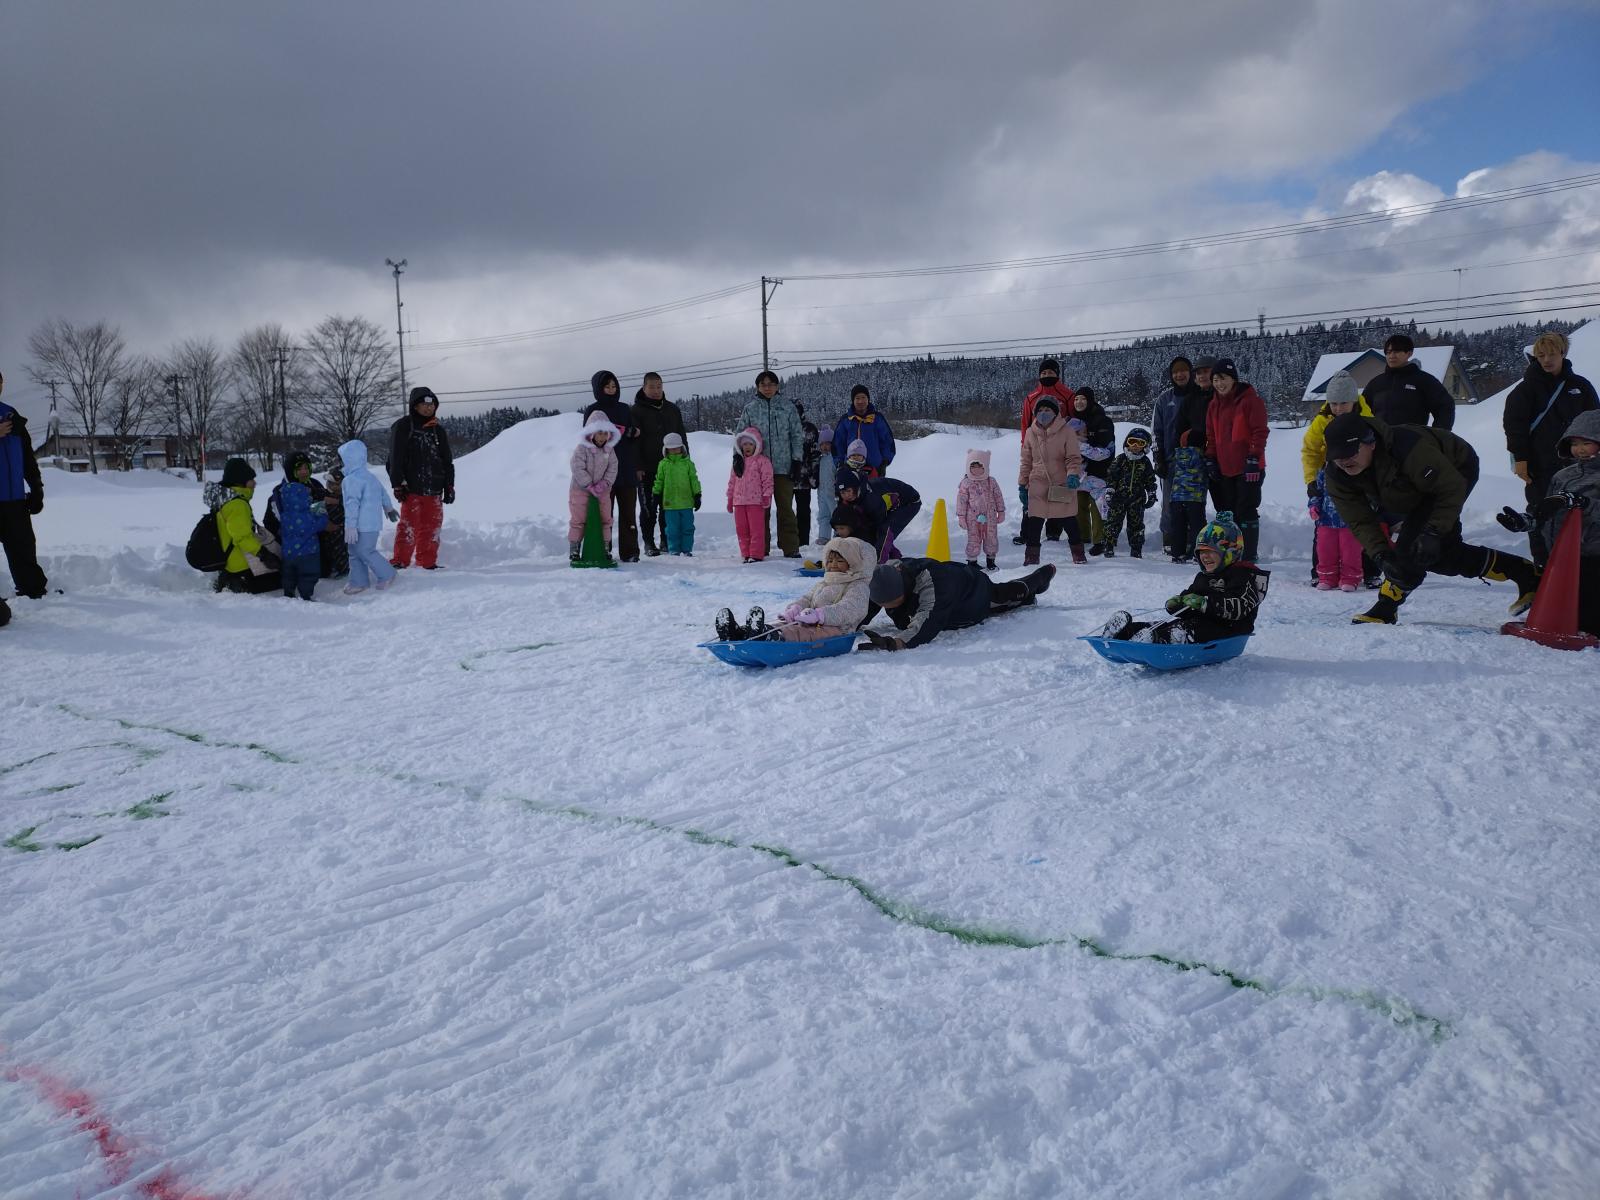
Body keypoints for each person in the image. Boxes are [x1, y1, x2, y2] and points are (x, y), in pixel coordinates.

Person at [1321, 412, 1539, 624]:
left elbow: (1449, 487)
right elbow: (1360, 520)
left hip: (1454, 469)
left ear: (1371, 443)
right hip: (1413, 488)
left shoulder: (1407, 449)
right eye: (1337, 455)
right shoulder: (1336, 475)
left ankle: (1386, 608)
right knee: (1439, 555)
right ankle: (1525, 573)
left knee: (1417, 547)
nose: (1344, 460)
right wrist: (1380, 555)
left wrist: (1433, 531)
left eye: (1350, 451)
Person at [1497, 409, 1600, 636]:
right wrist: (1529, 521)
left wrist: (1583, 503)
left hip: (1593, 556)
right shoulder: (1563, 476)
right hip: (1561, 555)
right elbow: (1548, 508)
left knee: (1588, 619)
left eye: (1587, 443)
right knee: (1561, 606)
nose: (1579, 449)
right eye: (1574, 443)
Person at [1502, 329, 1600, 565]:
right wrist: (1521, 459)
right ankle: (1543, 568)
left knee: (1584, 514)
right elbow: (1514, 426)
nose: (1546, 360)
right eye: (1541, 355)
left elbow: (1595, 421)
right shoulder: (1525, 389)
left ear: (1563, 354)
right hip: (1540, 465)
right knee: (1540, 513)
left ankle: (1579, 567)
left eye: (1552, 354)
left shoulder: (1580, 386)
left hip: (1580, 465)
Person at [1099, 511, 1268, 644]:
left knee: (1183, 630)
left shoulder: (1244, 575)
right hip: (1197, 624)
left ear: (1230, 552)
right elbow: (1189, 598)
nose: (1205, 557)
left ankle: (1155, 641)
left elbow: (1239, 608)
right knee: (1166, 625)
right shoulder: (1204, 577)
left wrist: (1205, 604)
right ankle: (1126, 633)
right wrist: (1178, 603)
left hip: (1229, 631)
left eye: (1210, 551)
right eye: (1201, 552)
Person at [859, 559, 1057, 651]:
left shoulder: (933, 585)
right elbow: (867, 604)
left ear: (903, 589)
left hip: (971, 592)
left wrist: (896, 643)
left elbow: (929, 620)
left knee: (1002, 597)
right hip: (950, 574)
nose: (888, 608)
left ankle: (1036, 580)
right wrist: (847, 626)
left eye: (892, 603)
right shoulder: (883, 575)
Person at [715, 536, 877, 643]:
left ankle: (770, 636)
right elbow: (808, 598)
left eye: (840, 560)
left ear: (853, 564)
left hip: (837, 631)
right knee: (786, 624)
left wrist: (820, 615)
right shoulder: (825, 582)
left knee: (804, 634)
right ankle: (740, 634)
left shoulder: (857, 586)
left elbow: (850, 609)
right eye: (830, 560)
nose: (833, 565)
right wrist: (796, 608)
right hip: (810, 621)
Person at [1300, 370, 1378, 588]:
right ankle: (1321, 571)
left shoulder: (1367, 419)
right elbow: (1310, 451)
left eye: (1343, 403)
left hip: (1360, 478)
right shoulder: (1322, 421)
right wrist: (1312, 482)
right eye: (1333, 403)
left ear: (1353, 401)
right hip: (1331, 478)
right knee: (1323, 530)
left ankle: (1370, 571)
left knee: (1363, 527)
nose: (1338, 408)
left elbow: (1377, 450)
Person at [1203, 358, 1268, 563]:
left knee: (1246, 509)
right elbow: (1211, 437)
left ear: (1233, 379)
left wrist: (1253, 457)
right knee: (1228, 512)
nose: (1219, 384)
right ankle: (1233, 551)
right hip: (1225, 468)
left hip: (1249, 467)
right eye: (1215, 379)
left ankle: (1249, 554)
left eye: (1223, 378)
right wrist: (1211, 459)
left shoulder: (1250, 401)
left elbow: (1260, 431)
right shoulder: (1213, 405)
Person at [387, 385, 455, 570]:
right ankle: (400, 560)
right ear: (415, 406)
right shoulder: (403, 426)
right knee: (408, 526)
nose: (429, 407)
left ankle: (427, 562)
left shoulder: (437, 431)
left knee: (432, 528)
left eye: (432, 403)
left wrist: (449, 485)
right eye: (424, 403)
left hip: (434, 490)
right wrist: (398, 483)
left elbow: (447, 460)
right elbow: (395, 458)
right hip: (412, 488)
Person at [740, 370, 805, 558]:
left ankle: (791, 547)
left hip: (784, 467)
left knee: (785, 508)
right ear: (758, 387)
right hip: (757, 471)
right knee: (760, 511)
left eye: (771, 384)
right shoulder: (750, 409)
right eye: (763, 384)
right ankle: (761, 548)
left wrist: (797, 460)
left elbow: (796, 435)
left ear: (777, 386)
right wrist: (739, 458)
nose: (767, 388)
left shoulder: (787, 408)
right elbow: (741, 435)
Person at [1015, 358, 1078, 544]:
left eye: (1050, 373)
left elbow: (1074, 422)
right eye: (1043, 373)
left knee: (1058, 492)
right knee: (1031, 492)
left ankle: (1054, 532)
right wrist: (1025, 447)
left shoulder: (1067, 395)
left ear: (1057, 374)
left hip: (1060, 451)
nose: (1047, 376)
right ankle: (1027, 533)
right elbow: (1025, 423)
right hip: (1037, 452)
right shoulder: (1031, 397)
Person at [1018, 395, 1085, 566]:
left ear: (1055, 412)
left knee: (1069, 519)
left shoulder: (1067, 431)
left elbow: (1073, 458)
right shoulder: (1030, 432)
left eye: (1047, 410)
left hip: (1061, 482)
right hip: (1038, 482)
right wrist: (1022, 484)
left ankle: (1078, 553)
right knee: (1035, 521)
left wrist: (1073, 474)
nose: (1043, 413)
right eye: (1040, 410)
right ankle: (1031, 556)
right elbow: (1026, 460)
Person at [582, 371, 641, 561]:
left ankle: (630, 552)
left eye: (613, 386)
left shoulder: (625, 408)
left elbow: (633, 438)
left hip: (626, 468)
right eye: (606, 386)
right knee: (603, 515)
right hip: (602, 473)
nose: (611, 390)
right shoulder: (593, 410)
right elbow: (587, 440)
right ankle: (603, 549)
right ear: (598, 389)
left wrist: (632, 433)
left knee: (628, 514)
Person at [0, 372, 48, 600]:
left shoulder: (11, 415)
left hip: (14, 500)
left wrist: (36, 489)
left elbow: (28, 458)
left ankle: (32, 591)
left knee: (23, 548)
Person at [632, 371, 688, 556]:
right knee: (649, 507)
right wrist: (637, 465)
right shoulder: (636, 411)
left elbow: (681, 435)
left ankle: (666, 540)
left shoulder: (672, 409)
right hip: (647, 468)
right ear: (644, 387)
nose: (656, 390)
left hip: (671, 468)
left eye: (659, 386)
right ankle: (649, 543)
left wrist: (685, 460)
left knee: (668, 506)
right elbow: (634, 442)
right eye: (652, 387)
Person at [212, 458, 282, 595]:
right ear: (240, 481)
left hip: (229, 561)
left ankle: (229, 578)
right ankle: (237, 583)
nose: (255, 483)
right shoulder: (238, 505)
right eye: (251, 479)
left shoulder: (224, 499)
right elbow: (242, 537)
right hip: (241, 564)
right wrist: (263, 554)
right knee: (281, 580)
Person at [337, 440, 400, 595]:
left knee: (365, 551)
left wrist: (350, 526)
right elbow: (382, 493)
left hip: (360, 526)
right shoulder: (370, 476)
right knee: (354, 552)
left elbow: (352, 505)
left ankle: (387, 574)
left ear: (349, 459)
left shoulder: (351, 480)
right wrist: (389, 508)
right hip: (371, 524)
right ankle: (358, 581)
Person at [266, 451, 329, 600]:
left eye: (306, 468)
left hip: (300, 546)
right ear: (291, 471)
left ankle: (291, 593)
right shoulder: (280, 494)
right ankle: (302, 594)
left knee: (296, 571)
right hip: (301, 546)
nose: (304, 472)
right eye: (299, 469)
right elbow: (272, 521)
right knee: (303, 571)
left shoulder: (312, 486)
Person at [1361, 333, 1456, 430]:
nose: (1391, 356)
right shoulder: (1376, 383)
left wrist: (1437, 436)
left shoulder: (1424, 380)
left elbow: (1445, 407)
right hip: (1379, 441)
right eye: (1388, 352)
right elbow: (1360, 409)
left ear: (1409, 353)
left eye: (1396, 351)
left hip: (1414, 442)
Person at [1150, 356, 1195, 553]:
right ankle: (1169, 536)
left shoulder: (1200, 395)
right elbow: (1156, 431)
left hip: (1196, 460)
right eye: (1175, 372)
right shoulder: (1164, 399)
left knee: (1193, 502)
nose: (1179, 374)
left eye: (1183, 370)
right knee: (1169, 501)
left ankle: (1194, 538)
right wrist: (1158, 457)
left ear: (1190, 372)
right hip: (1170, 459)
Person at [569, 411, 619, 563]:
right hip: (580, 490)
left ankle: (604, 547)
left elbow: (613, 467)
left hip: (603, 491)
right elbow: (577, 467)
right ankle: (575, 548)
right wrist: (589, 484)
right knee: (579, 519)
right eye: (599, 433)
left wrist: (604, 483)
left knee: (605, 519)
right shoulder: (581, 449)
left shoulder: (610, 450)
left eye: (605, 433)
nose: (603, 437)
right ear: (591, 433)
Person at [1070, 387, 1115, 552]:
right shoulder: (1073, 420)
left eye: (1082, 399)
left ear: (1090, 400)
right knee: (1078, 504)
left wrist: (1082, 447)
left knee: (1098, 506)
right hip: (1080, 472)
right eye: (1076, 399)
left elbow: (1106, 450)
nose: (1078, 402)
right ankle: (1083, 536)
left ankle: (1100, 540)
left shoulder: (1102, 420)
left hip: (1099, 470)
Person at [1102, 427, 1158, 558]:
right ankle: (1108, 545)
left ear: (1146, 446)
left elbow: (1150, 480)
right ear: (1127, 442)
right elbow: (1112, 477)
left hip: (1137, 499)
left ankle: (1136, 548)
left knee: (1136, 524)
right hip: (1118, 499)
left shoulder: (1145, 462)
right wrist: (1110, 491)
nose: (1135, 446)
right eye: (1132, 441)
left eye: (1140, 443)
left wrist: (1151, 493)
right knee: (1113, 522)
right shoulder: (1120, 459)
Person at [1308, 467, 1361, 592]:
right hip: (1326, 519)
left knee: (1350, 551)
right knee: (1325, 550)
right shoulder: (1324, 472)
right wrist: (1314, 506)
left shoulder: (1356, 471)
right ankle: (1327, 577)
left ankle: (1350, 578)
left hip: (1350, 520)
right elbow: (1317, 491)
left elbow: (1366, 494)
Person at [727, 426, 774, 563]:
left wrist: (766, 496)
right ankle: (745, 553)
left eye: (750, 444)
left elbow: (767, 480)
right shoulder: (737, 462)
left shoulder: (762, 461)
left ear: (757, 445)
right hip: (739, 502)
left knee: (756, 529)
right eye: (745, 444)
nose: (747, 447)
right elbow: (732, 482)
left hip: (755, 502)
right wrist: (730, 499)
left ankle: (756, 554)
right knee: (742, 529)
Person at [650, 432, 701, 556]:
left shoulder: (688, 463)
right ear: (666, 449)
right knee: (672, 529)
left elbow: (694, 479)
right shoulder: (663, 464)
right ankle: (674, 550)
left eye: (676, 447)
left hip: (686, 503)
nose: (674, 450)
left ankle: (687, 549)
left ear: (681, 448)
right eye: (671, 448)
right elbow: (659, 480)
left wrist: (697, 495)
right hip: (670, 504)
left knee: (688, 528)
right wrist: (656, 494)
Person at [956, 448, 1006, 570]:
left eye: (980, 466)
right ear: (968, 467)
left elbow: (998, 496)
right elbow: (961, 501)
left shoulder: (991, 481)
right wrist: (961, 516)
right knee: (974, 538)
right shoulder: (966, 483)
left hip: (990, 517)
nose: (976, 469)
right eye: (973, 466)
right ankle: (972, 562)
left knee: (991, 538)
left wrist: (1001, 511)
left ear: (986, 467)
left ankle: (991, 561)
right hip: (972, 518)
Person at [832, 384, 895, 474]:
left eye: (863, 397)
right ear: (853, 401)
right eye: (857, 398)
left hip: (875, 468)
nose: (860, 401)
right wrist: (839, 464)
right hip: (850, 468)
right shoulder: (845, 420)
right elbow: (837, 445)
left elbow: (887, 442)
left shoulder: (877, 418)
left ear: (868, 399)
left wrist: (884, 462)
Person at [828, 468, 886, 549]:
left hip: (898, 504)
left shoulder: (869, 498)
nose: (846, 495)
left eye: (848, 491)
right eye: (842, 492)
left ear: (855, 488)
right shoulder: (845, 502)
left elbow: (880, 523)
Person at [794, 400, 820, 548]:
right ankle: (786, 541)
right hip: (785, 478)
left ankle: (803, 541)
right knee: (785, 513)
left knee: (803, 511)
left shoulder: (810, 429)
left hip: (804, 479)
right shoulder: (783, 428)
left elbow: (815, 454)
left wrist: (814, 475)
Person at [318, 461, 350, 578]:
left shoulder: (346, 496)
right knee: (328, 549)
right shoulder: (324, 495)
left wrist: (337, 501)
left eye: (338, 485)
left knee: (343, 550)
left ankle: (344, 568)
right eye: (331, 484)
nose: (335, 487)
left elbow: (352, 506)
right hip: (327, 529)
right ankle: (331, 567)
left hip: (343, 528)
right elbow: (315, 509)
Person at [812, 425, 836, 543]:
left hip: (833, 492)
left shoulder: (835, 459)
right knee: (823, 515)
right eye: (822, 444)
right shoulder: (819, 459)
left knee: (836, 514)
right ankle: (824, 536)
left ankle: (839, 535)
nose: (825, 446)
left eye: (828, 443)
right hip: (822, 492)